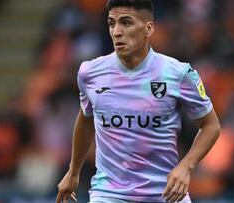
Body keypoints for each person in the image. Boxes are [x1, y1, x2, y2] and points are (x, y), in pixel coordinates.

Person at [56, 0, 221, 202]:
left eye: (126, 22)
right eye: (111, 23)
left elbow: (211, 126)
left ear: (148, 28)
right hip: (109, 193)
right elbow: (86, 119)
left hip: (166, 193)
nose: (116, 31)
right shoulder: (90, 73)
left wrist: (185, 167)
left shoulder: (178, 73)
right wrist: (73, 172)